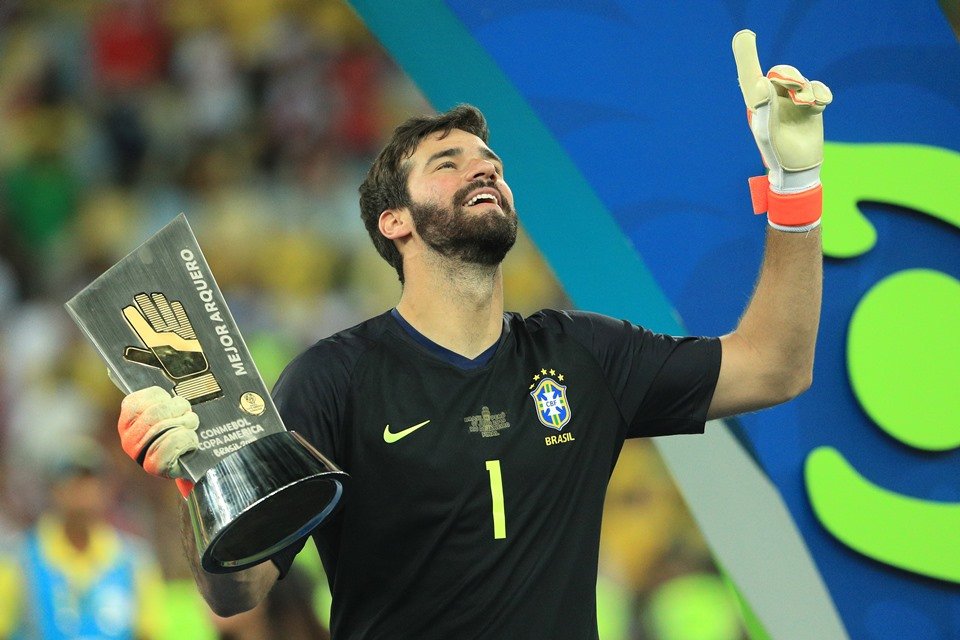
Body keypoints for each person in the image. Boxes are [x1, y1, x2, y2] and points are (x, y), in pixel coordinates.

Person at [115, 31, 831, 639]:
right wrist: (198, 481)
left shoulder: (583, 354)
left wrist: (795, 182)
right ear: (395, 223)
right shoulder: (332, 381)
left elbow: (775, 367)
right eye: (447, 162)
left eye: (489, 160)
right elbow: (236, 594)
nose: (484, 165)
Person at [0, 439, 166, 640]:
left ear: (107, 491)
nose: (82, 494)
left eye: (90, 483)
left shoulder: (134, 559)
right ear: (53, 491)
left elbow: (149, 632)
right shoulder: (18, 560)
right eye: (72, 483)